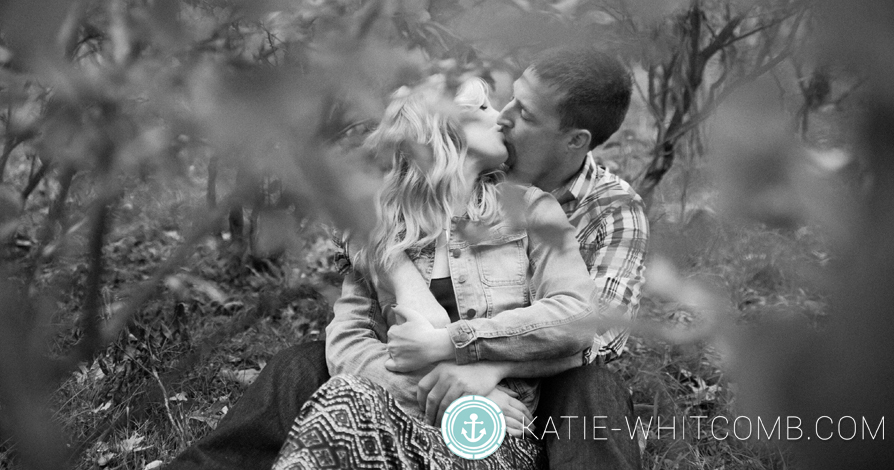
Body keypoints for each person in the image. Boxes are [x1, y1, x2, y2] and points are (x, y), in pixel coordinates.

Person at [165, 47, 646, 470]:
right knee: (309, 370)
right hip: (414, 392)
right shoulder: (395, 213)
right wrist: (387, 251)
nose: (502, 115)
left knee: (593, 390)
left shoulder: (593, 210)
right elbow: (354, 311)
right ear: (443, 134)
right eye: (498, 102)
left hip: (527, 401)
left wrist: (469, 361)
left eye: (525, 114)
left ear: (575, 140)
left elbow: (590, 329)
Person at [271, 72, 596, 470]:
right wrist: (455, 398)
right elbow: (348, 347)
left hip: (492, 435)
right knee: (341, 400)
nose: (500, 117)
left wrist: (461, 344)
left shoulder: (531, 209)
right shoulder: (381, 230)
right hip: (404, 414)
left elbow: (578, 314)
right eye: (481, 107)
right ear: (442, 129)